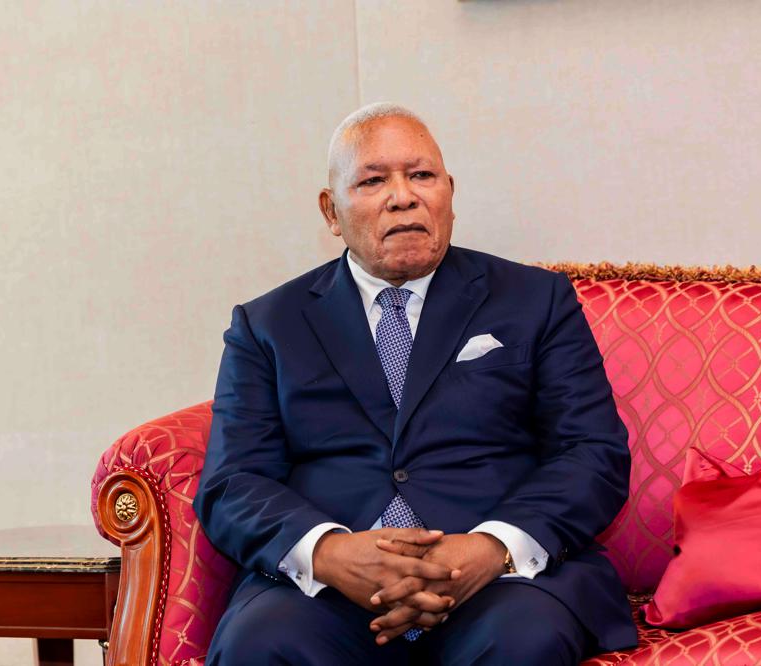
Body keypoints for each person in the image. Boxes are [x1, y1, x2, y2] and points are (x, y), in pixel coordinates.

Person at [194, 103, 636, 665]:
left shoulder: (536, 301)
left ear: (449, 192)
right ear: (331, 211)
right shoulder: (268, 325)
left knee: (525, 637)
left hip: (499, 582)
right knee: (260, 644)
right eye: (373, 181)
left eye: (421, 175)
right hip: (328, 592)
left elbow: (591, 451)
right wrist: (328, 554)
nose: (402, 197)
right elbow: (233, 481)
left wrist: (492, 546)